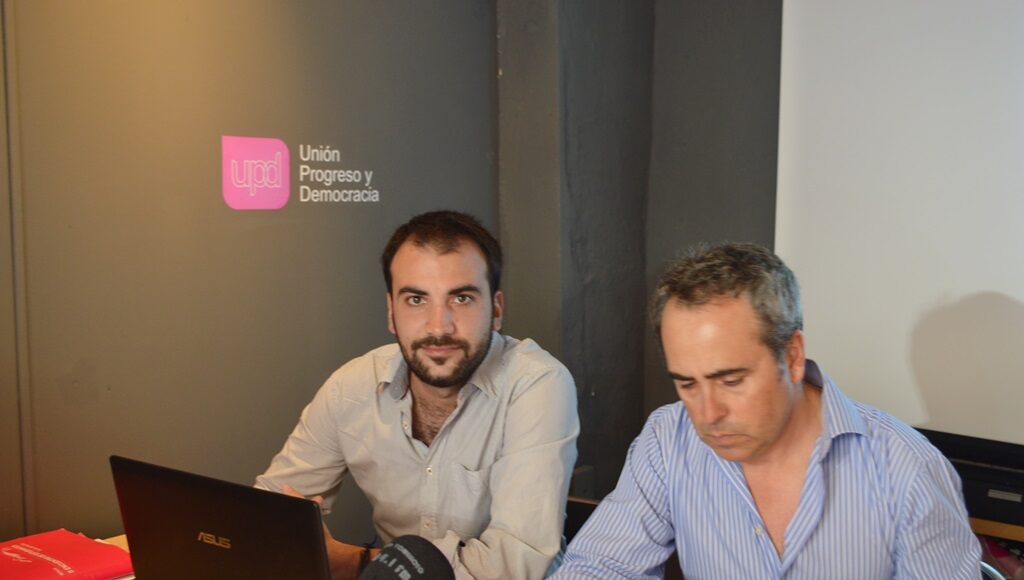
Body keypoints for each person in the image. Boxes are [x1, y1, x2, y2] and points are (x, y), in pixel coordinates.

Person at [554, 243, 980, 579]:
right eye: (687, 384)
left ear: (792, 356)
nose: (708, 413)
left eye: (731, 381)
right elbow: (601, 567)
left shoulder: (907, 469)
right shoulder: (668, 439)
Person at [256, 210, 579, 580]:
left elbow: (515, 566)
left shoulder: (537, 384)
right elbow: (265, 517)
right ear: (390, 312)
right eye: (415, 300)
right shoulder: (351, 388)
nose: (439, 326)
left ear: (496, 310)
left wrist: (352, 561)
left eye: (461, 298)